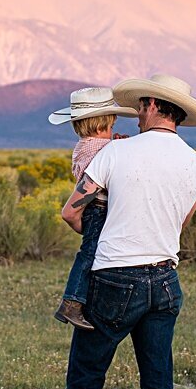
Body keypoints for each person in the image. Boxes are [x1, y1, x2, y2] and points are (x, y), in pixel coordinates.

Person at [56, 74, 196, 389]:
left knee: (84, 388)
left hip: (113, 280)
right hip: (164, 279)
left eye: (141, 105)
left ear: (150, 105)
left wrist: (97, 240)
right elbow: (178, 224)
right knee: (158, 387)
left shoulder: (117, 153)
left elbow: (72, 212)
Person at [46, 87, 137, 331]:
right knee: (89, 255)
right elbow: (108, 162)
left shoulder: (85, 145)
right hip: (98, 207)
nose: (113, 131)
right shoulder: (100, 148)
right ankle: (72, 301)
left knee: (91, 254)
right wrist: (122, 145)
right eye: (110, 126)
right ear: (101, 125)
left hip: (93, 208)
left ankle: (80, 301)